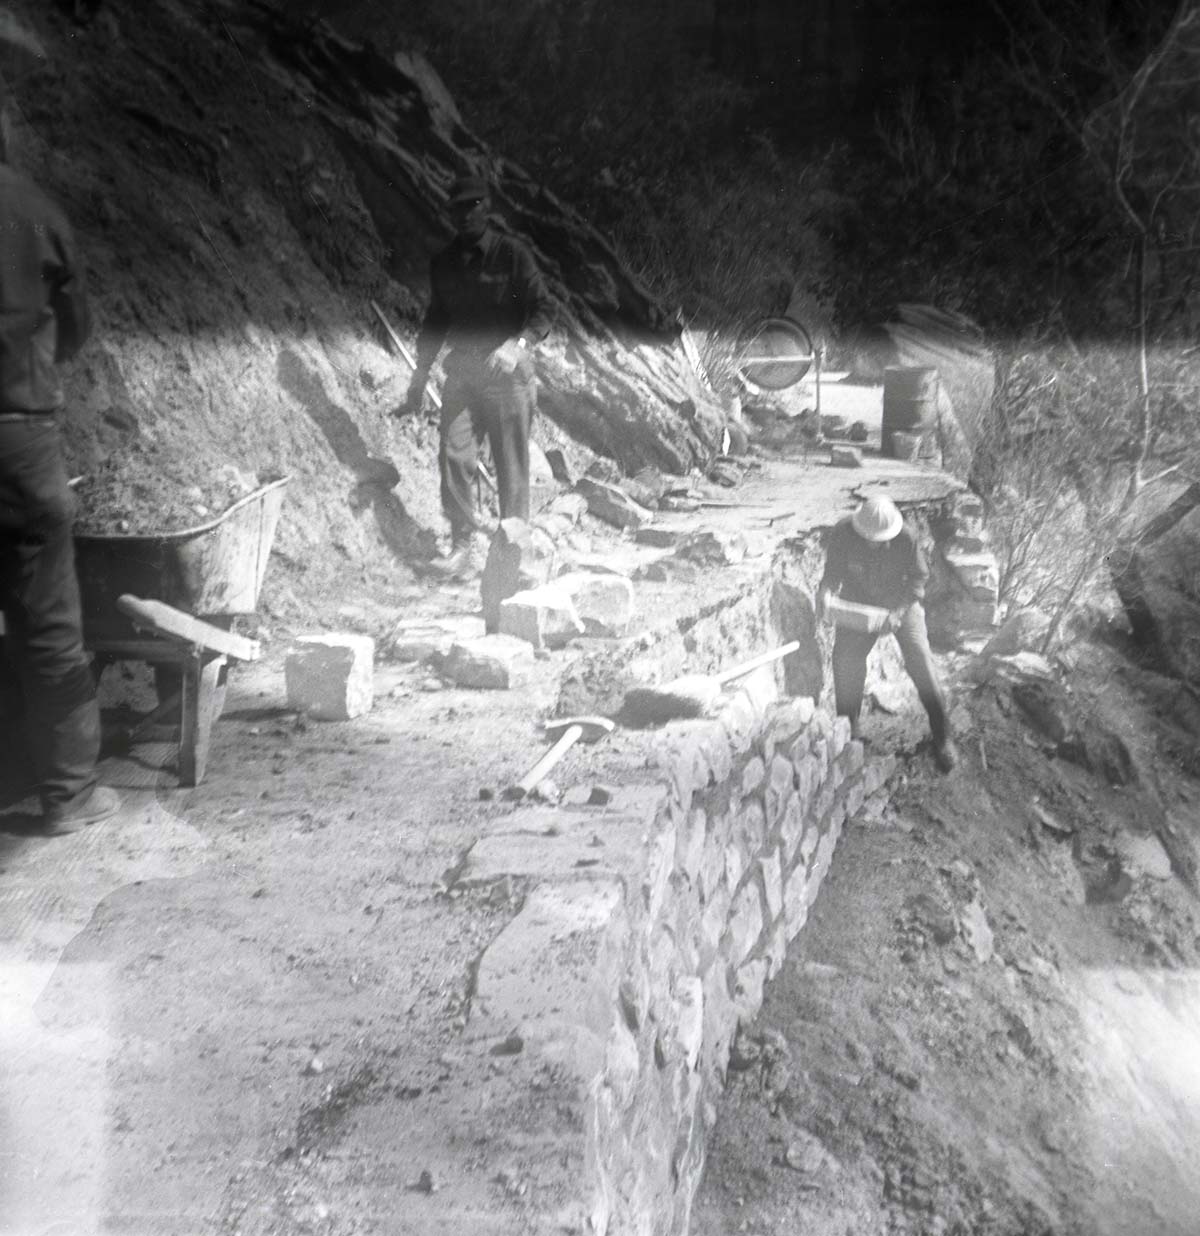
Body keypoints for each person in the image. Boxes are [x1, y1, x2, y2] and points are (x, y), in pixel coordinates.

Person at [0, 103, 119, 831]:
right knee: (47, 622)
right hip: (19, 439)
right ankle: (69, 794)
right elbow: (75, 324)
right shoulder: (35, 210)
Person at [396, 172, 555, 579]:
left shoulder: (513, 255)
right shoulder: (445, 262)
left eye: (474, 207)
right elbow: (436, 320)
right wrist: (420, 374)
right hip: (464, 374)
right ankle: (462, 547)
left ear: (488, 209)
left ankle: (512, 556)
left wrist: (516, 346)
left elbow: (543, 310)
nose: (466, 216)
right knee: (453, 452)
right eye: (458, 209)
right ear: (450, 214)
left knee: (511, 467)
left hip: (508, 376)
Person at [817, 495, 957, 772]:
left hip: (901, 602)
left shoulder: (907, 538)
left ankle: (943, 737)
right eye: (867, 538)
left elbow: (919, 580)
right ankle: (850, 730)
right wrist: (826, 592)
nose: (872, 543)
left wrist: (899, 612)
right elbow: (832, 573)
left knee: (921, 660)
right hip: (859, 600)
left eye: (878, 539)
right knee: (845, 661)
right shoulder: (843, 533)